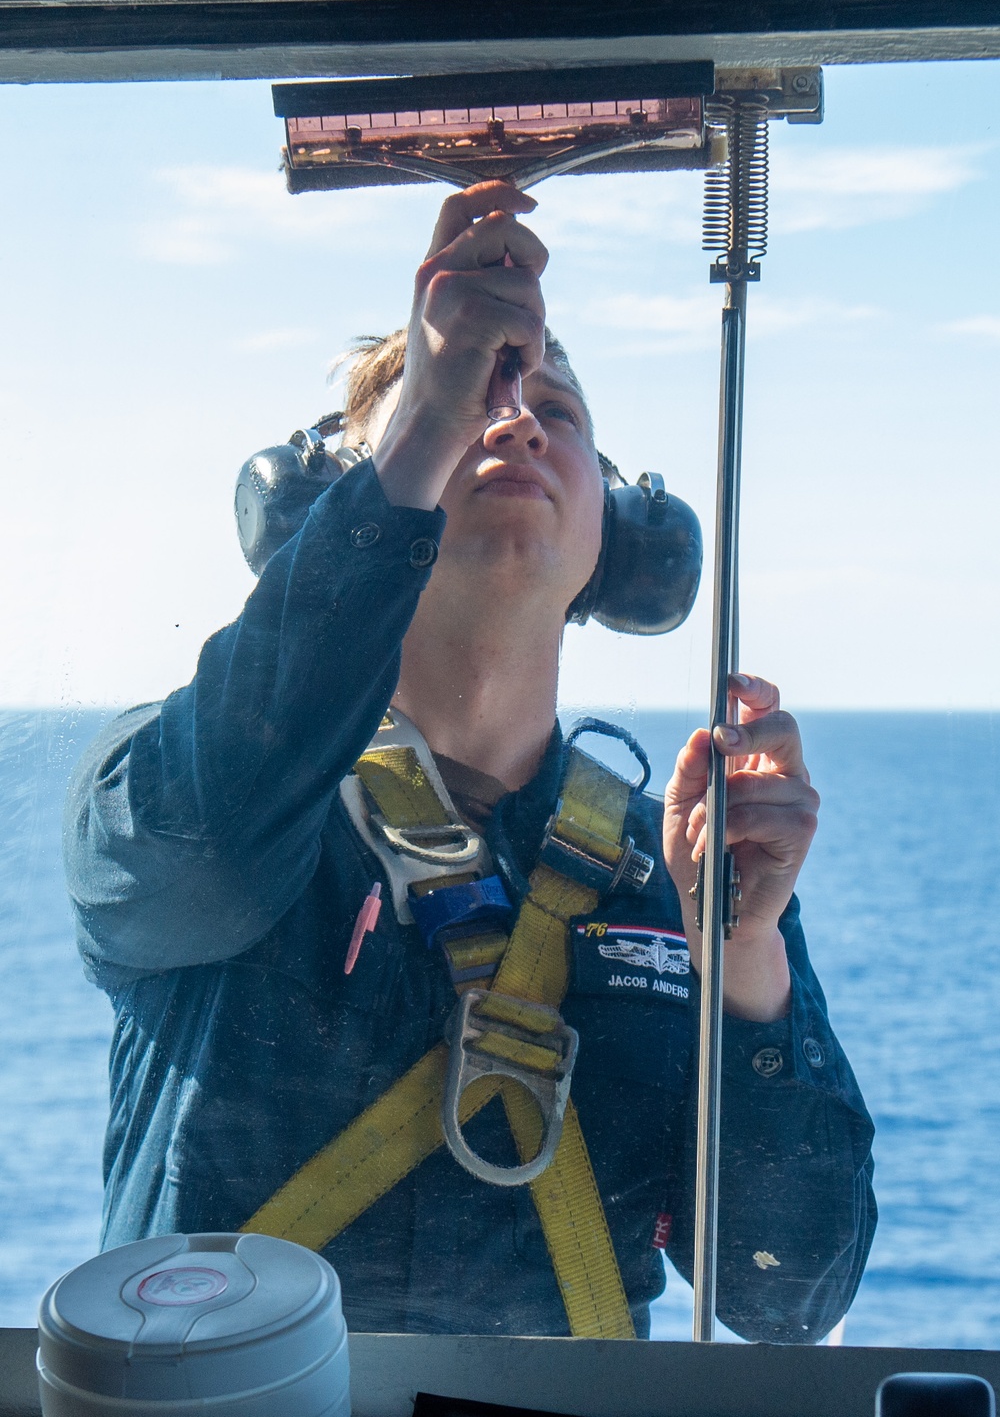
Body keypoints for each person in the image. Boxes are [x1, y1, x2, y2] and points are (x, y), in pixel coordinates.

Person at [65, 180, 875, 1342]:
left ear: (618, 541)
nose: (512, 417)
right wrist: (423, 423)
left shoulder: (677, 880)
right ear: (342, 508)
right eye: (459, 403)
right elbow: (213, 825)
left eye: (555, 405)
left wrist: (745, 965)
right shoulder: (172, 788)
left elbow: (785, 1291)